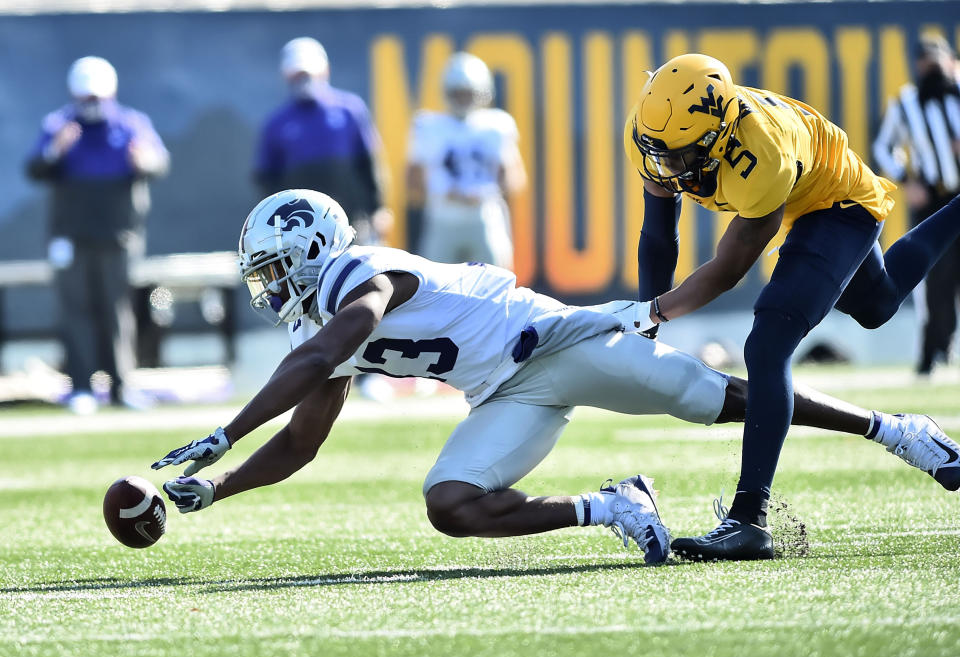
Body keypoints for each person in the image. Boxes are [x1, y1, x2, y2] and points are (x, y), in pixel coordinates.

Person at [150, 190, 960, 563]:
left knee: (706, 398)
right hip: (502, 391)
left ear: (313, 251)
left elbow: (320, 357)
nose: (270, 287)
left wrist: (225, 431)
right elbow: (302, 441)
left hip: (555, 342)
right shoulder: (323, 321)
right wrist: (217, 487)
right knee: (451, 505)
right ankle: (611, 505)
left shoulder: (361, 275)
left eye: (274, 268)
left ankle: (897, 430)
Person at [623, 53, 960, 561]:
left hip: (838, 202)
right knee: (879, 303)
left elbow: (728, 268)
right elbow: (657, 231)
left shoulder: (763, 154)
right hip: (809, 189)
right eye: (660, 155)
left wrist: (653, 314)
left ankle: (749, 519)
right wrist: (644, 315)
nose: (666, 168)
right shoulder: (655, 131)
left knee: (768, 343)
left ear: (719, 135)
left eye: (679, 156)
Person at [26, 56, 169, 414]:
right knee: (76, 311)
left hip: (118, 236)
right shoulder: (59, 126)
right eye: (85, 97)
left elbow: (158, 162)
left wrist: (145, 161)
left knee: (116, 312)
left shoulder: (132, 124)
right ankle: (81, 387)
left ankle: (121, 386)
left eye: (97, 97)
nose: (92, 105)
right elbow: (34, 167)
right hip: (71, 237)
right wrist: (55, 150)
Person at [255, 36, 394, 401]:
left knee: (362, 295)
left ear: (324, 71)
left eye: (309, 72)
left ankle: (370, 374)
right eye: (297, 74)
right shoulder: (278, 123)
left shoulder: (348, 110)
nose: (304, 80)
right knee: (308, 302)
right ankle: (315, 373)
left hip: (351, 225)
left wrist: (378, 208)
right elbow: (266, 180)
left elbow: (370, 163)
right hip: (304, 238)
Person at [873, 35, 960, 376]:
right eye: (925, 61)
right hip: (935, 200)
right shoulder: (906, 102)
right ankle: (932, 354)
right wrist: (906, 180)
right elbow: (883, 147)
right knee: (934, 277)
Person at [406, 52, 526, 268]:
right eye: (457, 93)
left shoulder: (496, 125)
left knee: (495, 286)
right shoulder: (428, 125)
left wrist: (487, 192)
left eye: (468, 93)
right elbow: (412, 180)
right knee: (434, 288)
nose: (463, 99)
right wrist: (442, 193)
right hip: (443, 216)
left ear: (482, 92)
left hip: (483, 215)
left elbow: (514, 178)